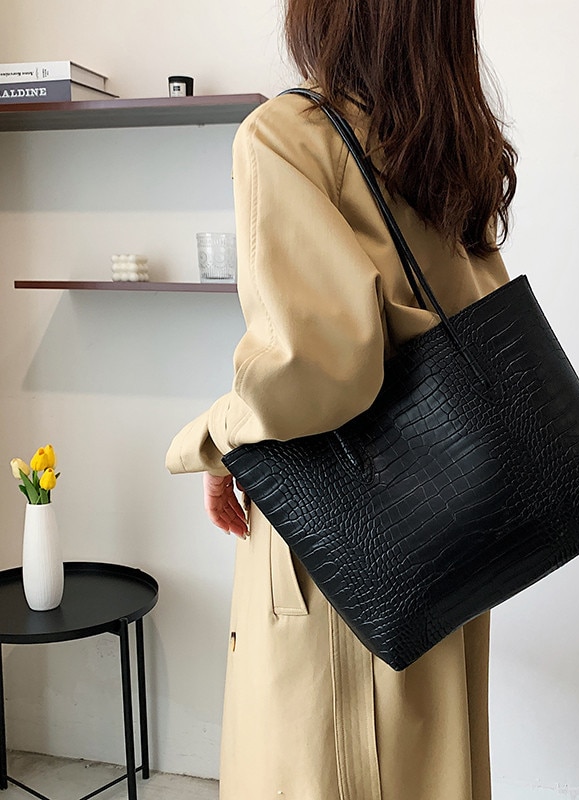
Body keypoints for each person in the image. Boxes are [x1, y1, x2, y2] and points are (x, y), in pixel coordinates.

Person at [165, 0, 517, 796]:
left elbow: (319, 370)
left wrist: (217, 438)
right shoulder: (450, 147)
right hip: (447, 536)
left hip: (345, 547)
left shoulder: (289, 136)